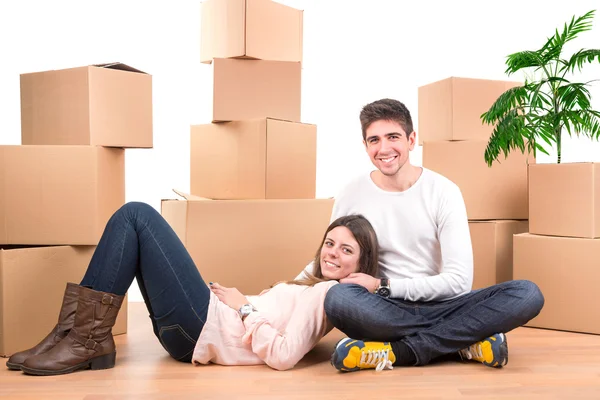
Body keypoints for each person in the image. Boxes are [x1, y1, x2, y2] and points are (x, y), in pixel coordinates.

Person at [298, 98, 545, 372]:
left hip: (443, 305)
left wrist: (383, 284)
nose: (383, 148)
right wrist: (279, 293)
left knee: (527, 293)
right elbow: (330, 257)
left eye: (393, 137)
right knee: (338, 300)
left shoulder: (443, 191)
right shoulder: (350, 192)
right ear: (365, 145)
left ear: (411, 139)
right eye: (374, 140)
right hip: (382, 310)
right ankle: (462, 342)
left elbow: (460, 282)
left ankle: (400, 352)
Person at [6, 202, 380, 375]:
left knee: (136, 216)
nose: (332, 253)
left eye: (346, 250)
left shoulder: (327, 297)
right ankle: (73, 334)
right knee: (132, 226)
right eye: (330, 243)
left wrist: (243, 307)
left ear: (361, 265)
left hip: (201, 328)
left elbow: (283, 355)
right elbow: (318, 265)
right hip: (205, 322)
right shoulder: (313, 279)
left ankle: (86, 340)